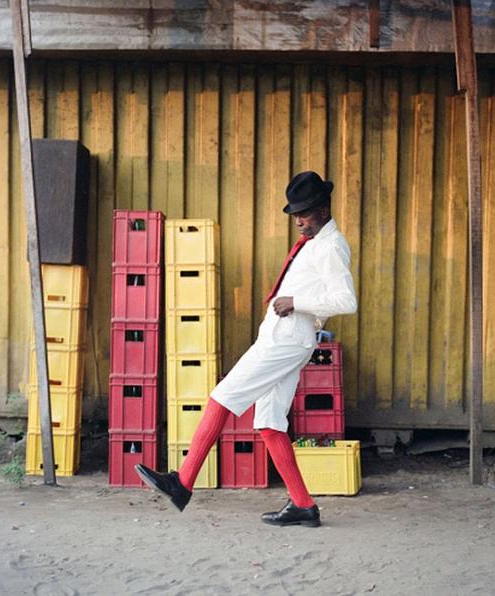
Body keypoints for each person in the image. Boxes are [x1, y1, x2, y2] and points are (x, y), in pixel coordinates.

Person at [136, 171, 357, 526]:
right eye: (295, 213)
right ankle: (303, 506)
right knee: (269, 422)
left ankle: (183, 482)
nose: (299, 219)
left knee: (224, 395)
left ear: (324, 207)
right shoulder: (314, 244)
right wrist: (302, 309)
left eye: (306, 212)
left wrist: (297, 302)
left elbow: (347, 300)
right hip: (285, 337)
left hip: (285, 341)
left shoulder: (331, 246)